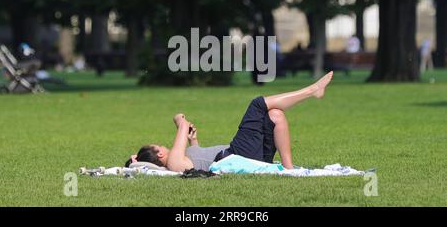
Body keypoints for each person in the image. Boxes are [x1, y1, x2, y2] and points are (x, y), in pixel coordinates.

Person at [125, 71, 334, 172]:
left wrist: (194, 141)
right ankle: (311, 91)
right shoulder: (174, 162)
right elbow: (180, 121)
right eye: (158, 146)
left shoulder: (182, 158)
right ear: (160, 153)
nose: (163, 145)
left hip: (249, 155)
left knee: (275, 115)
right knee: (257, 104)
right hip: (238, 154)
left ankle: (289, 170)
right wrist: (179, 120)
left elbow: (200, 161)